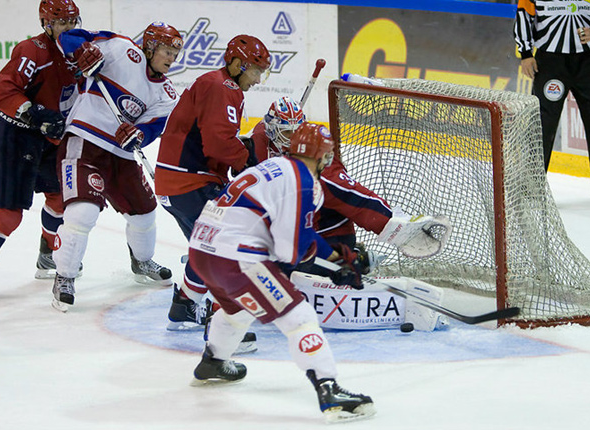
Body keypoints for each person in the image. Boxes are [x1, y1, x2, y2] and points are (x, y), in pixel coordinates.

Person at [187, 122, 376, 423]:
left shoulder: (274, 167)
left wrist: (338, 257)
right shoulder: (303, 180)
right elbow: (293, 251)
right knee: (299, 316)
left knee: (237, 310)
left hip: (203, 251)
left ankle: (213, 362)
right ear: (323, 155)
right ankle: (329, 389)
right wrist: (333, 271)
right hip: (238, 258)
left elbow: (301, 235)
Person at [251, 95, 452, 331]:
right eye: (286, 134)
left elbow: (357, 198)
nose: (291, 142)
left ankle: (354, 258)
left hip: (328, 231)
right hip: (296, 228)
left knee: (291, 270)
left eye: (296, 134)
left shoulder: (322, 170)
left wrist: (395, 228)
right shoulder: (261, 138)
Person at [49, 21, 183, 311]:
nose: (172, 58)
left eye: (175, 53)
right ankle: (64, 276)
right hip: (84, 140)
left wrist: (139, 135)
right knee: (82, 212)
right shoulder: (122, 49)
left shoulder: (168, 94)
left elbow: (153, 127)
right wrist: (83, 51)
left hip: (120, 155)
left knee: (145, 213)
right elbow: (69, 37)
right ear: (149, 47)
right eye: (167, 51)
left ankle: (141, 261)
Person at [155, 34, 270, 333]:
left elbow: (214, 138)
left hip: (179, 183)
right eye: (255, 72)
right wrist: (248, 163)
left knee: (207, 244)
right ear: (236, 64)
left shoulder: (219, 84)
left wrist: (243, 155)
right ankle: (223, 320)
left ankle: (186, 304)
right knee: (227, 242)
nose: (257, 80)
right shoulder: (223, 87)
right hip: (189, 183)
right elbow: (219, 143)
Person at [0, 0, 82, 300]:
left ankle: (48, 254)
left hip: (48, 138)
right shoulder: (30, 51)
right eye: (62, 23)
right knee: (8, 215)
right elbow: (4, 93)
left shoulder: (77, 52)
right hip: (15, 135)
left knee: (62, 196)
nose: (68, 29)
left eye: (73, 22)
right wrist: (35, 114)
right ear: (47, 24)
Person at [514, 0, 590, 202]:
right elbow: (523, 15)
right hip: (551, 62)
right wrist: (526, 53)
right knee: (542, 124)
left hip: (588, 61)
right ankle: (532, 187)